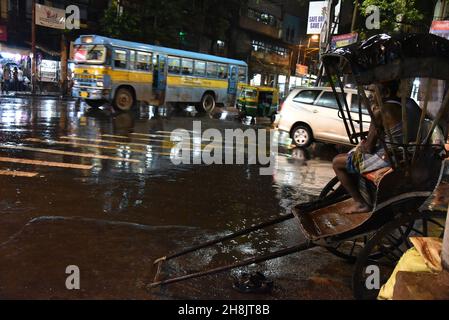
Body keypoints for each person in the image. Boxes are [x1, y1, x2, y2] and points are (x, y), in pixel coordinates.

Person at [332, 80, 421, 214]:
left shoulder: (381, 111)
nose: (371, 95)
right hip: (410, 154)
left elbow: (369, 148)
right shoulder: (411, 103)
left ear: (386, 93)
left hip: (389, 158)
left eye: (374, 91)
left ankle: (360, 203)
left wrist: (363, 146)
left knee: (337, 162)